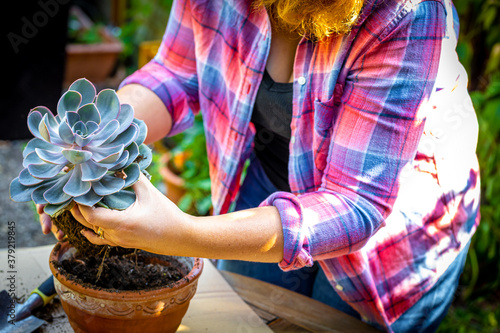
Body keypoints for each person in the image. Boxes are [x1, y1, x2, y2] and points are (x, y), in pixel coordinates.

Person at [39, 0, 481, 331]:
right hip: (266, 181)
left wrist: (181, 233)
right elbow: (176, 71)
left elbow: (356, 202)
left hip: (390, 242)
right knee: (243, 319)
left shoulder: (405, 12)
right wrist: (93, 147)